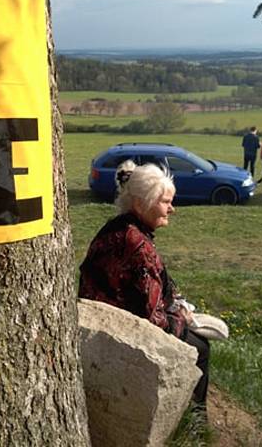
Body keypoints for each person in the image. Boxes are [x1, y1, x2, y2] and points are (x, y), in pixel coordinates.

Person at [78, 161, 210, 405]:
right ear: (141, 203)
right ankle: (194, 419)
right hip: (117, 330)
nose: (172, 209)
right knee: (200, 347)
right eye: (166, 202)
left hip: (100, 316)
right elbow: (153, 319)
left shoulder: (119, 227)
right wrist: (183, 319)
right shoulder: (136, 244)